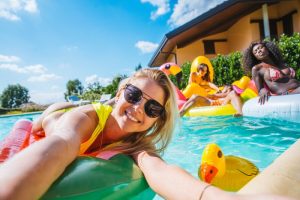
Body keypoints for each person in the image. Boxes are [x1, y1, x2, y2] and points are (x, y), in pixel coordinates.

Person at [0, 69, 292, 200]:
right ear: (119, 93)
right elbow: (62, 143)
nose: (139, 108)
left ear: (157, 121)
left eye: (153, 108)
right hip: (59, 114)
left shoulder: (139, 144)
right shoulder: (85, 119)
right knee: (45, 120)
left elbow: (160, 172)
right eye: (133, 94)